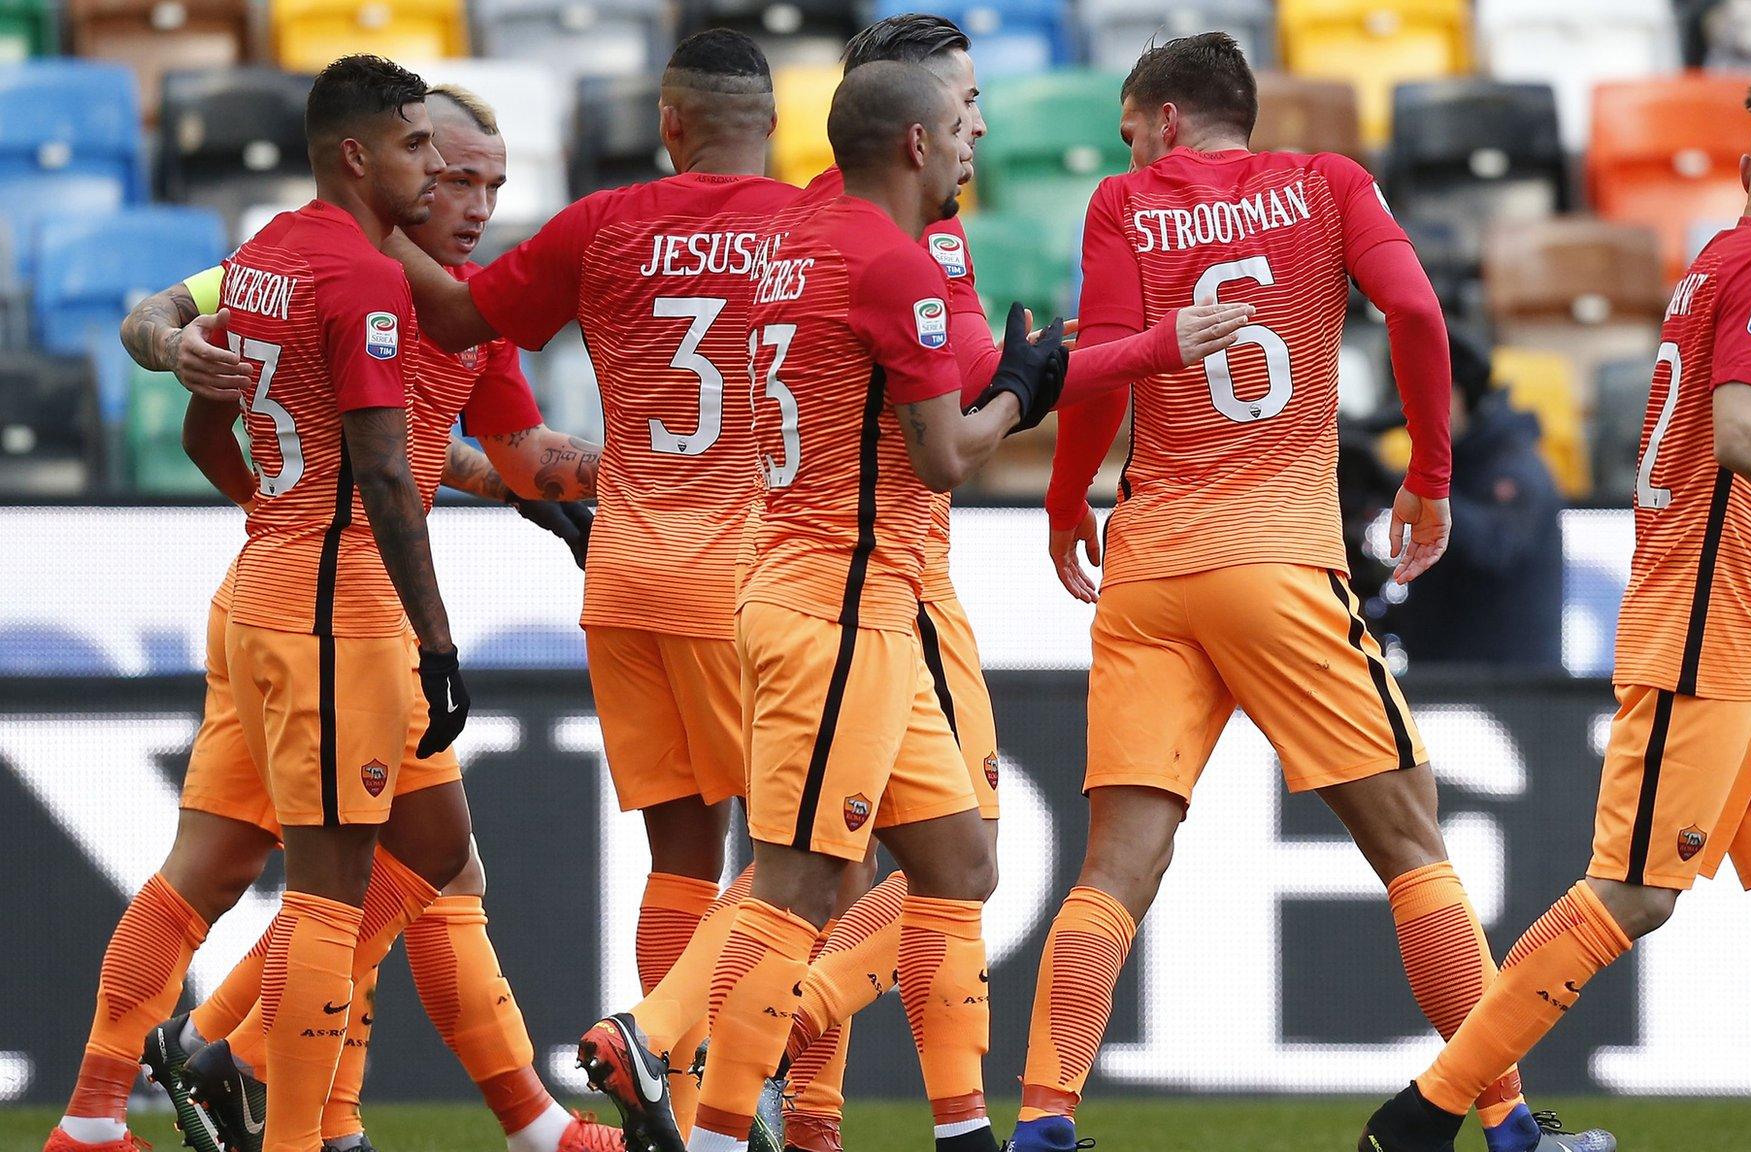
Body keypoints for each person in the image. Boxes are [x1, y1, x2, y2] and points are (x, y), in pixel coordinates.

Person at [1361, 63, 1751, 1152]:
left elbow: (1746, 457)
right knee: (1635, 893)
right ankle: (1418, 1120)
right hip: (1705, 623)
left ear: (1749, 167)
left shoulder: (1724, 261)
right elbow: (1745, 439)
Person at [1018, 33, 1607, 1152]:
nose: (1126, 146)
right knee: (1409, 844)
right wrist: (1429, 480)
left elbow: (1098, 364)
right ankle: (1507, 1123)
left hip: (1148, 568)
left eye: (1132, 126)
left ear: (1168, 119)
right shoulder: (1327, 185)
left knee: (1115, 866)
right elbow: (1421, 317)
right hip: (1279, 561)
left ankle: (1043, 1123)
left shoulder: (1120, 205)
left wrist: (1063, 503)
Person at [79, 68, 614, 1152]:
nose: (466, 198)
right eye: (445, 167)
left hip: (289, 591)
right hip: (338, 607)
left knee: (392, 859)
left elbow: (496, 455)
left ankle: (161, 1102)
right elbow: (161, 315)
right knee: (349, 882)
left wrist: (562, 492)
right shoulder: (354, 275)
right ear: (383, 158)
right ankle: (279, 1094)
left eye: (488, 182)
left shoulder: (369, 278)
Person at [762, 17, 1252, 1152]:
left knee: (848, 870)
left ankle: (826, 1118)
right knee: (956, 859)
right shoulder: (907, 244)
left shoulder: (801, 222)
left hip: (785, 565)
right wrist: (1153, 348)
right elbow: (991, 390)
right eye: (969, 101)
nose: (985, 123)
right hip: (887, 581)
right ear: (915, 123)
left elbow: (987, 370)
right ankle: (794, 1031)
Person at [388, 30, 801, 1149]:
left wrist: (358, 226)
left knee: (683, 854)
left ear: (667, 125)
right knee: (802, 853)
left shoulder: (598, 226)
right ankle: (707, 1067)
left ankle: (680, 1081)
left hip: (624, 572)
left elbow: (467, 331)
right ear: (772, 125)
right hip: (745, 576)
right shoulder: (811, 228)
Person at [662, 60, 1063, 1152]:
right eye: (959, 127)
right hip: (834, 605)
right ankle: (714, 1130)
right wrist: (1023, 391)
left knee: (958, 863)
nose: (974, 145)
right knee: (794, 884)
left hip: (843, 596)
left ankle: (961, 1130)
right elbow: (942, 458)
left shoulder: (791, 242)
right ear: (915, 145)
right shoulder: (890, 264)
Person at [1391, 326, 1564, 669]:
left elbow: (1497, 546)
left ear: (1455, 394)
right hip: (1445, 681)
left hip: (1512, 692)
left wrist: (1414, 489)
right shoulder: (1450, 459)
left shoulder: (1515, 464)